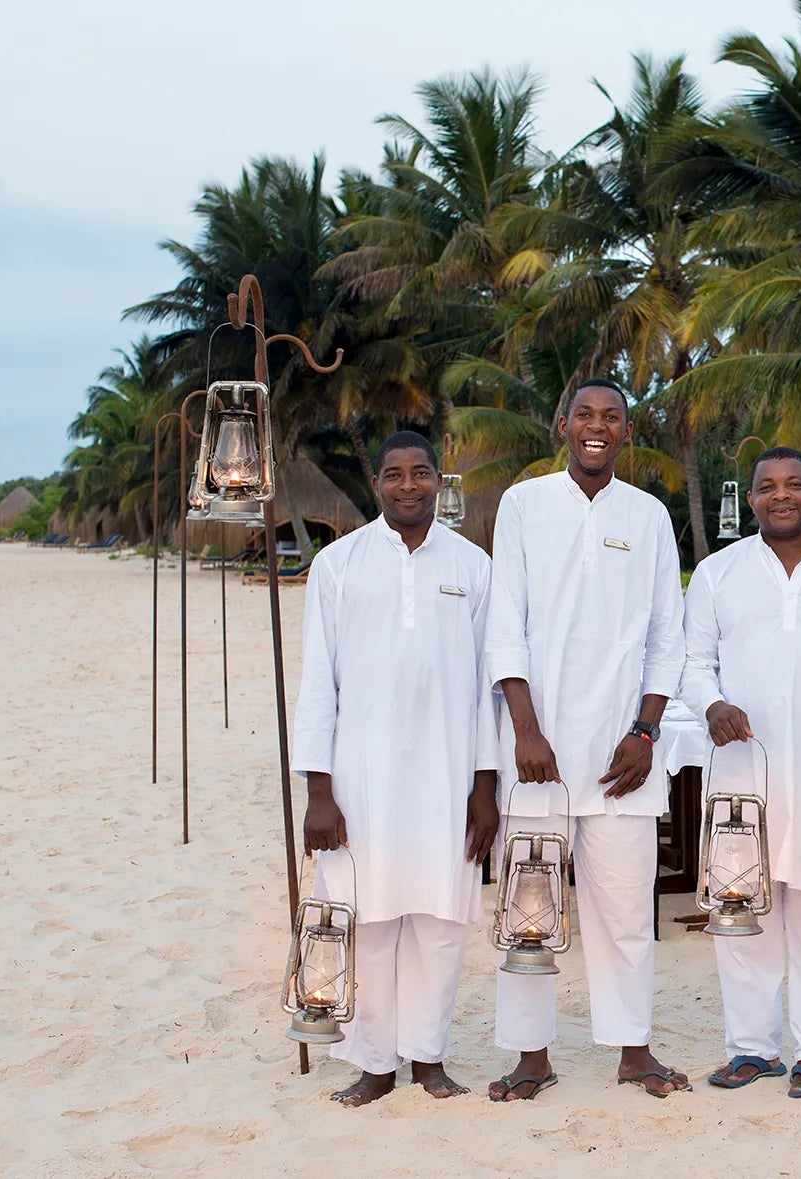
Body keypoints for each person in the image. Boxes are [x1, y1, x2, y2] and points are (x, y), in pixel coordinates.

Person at [484, 377, 689, 1101]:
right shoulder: (523, 504)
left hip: (622, 757)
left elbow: (669, 634)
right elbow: (505, 623)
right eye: (585, 416)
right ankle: (531, 1055)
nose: (596, 427)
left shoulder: (650, 515)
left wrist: (645, 730)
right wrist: (527, 728)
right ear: (562, 424)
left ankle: (634, 1050)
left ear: (626, 432)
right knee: (528, 907)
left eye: (612, 417)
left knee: (628, 910)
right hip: (539, 754)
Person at [291, 430, 500, 1107]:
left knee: (440, 923)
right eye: (393, 475)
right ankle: (374, 1062)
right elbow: (319, 683)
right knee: (369, 921)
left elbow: (485, 686)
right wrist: (318, 792)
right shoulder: (338, 564)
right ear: (375, 483)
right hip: (361, 779)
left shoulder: (472, 566)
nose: (407, 485)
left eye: (420, 474)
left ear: (440, 481)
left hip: (447, 778)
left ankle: (428, 1058)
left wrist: (485, 788)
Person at [681, 446, 801, 1098]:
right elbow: (691, 660)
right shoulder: (717, 572)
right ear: (752, 496)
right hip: (744, 769)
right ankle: (752, 1049)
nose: (781, 495)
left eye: (794, 484)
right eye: (768, 486)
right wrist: (711, 704)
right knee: (744, 915)